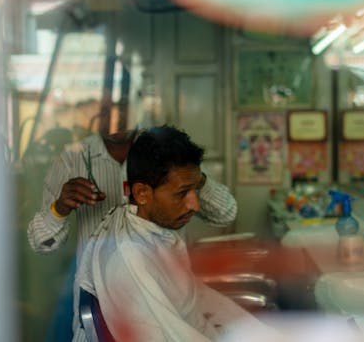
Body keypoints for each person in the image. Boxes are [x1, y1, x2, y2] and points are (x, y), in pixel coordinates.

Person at [28, 115, 238, 339]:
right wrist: (59, 208)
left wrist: (189, 175)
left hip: (164, 284)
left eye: (124, 104)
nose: (117, 116)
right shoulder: (72, 159)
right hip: (109, 302)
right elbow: (41, 243)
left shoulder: (159, 151)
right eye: (110, 106)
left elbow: (226, 213)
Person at [74, 125, 282, 341]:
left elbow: (226, 212)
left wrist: (196, 179)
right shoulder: (130, 258)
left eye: (195, 189)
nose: (195, 205)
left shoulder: (148, 221)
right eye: (182, 193)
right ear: (142, 193)